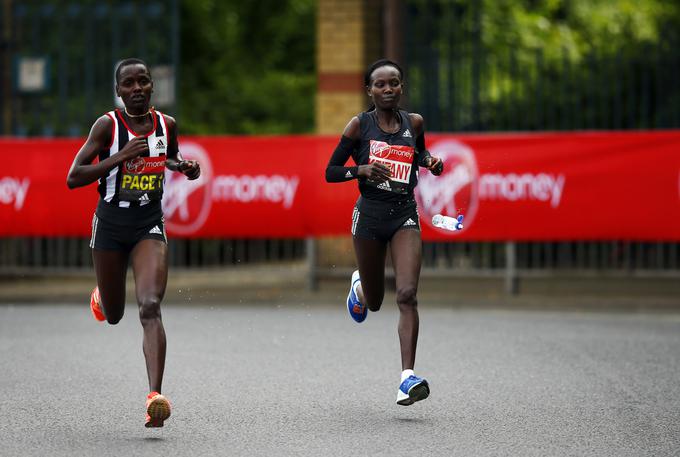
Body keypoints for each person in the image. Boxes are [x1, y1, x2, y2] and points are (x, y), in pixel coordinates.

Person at [66, 58, 200, 427]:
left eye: (143, 81)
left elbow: (168, 156)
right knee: (114, 315)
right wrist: (121, 156)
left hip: (147, 223)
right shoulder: (107, 126)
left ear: (152, 87)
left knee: (150, 306)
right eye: (129, 83)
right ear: (119, 90)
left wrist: (183, 166)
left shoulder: (165, 124)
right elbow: (74, 177)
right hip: (109, 225)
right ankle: (101, 297)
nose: (137, 88)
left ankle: (155, 396)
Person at [325, 59, 444, 406]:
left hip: (404, 215)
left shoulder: (414, 122)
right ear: (369, 91)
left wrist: (431, 162)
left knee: (407, 294)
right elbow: (331, 171)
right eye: (380, 85)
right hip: (369, 219)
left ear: (401, 87)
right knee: (375, 303)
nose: (388, 89)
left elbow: (419, 154)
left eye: (394, 83)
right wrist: (359, 170)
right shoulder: (359, 126)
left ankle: (407, 378)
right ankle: (360, 286)